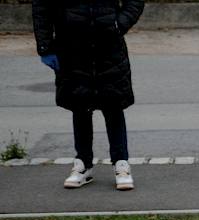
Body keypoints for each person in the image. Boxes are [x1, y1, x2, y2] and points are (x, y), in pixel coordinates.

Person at [32, 0, 144, 190]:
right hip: (71, 48)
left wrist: (119, 23)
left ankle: (121, 164)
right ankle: (83, 163)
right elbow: (41, 7)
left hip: (109, 47)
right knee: (80, 105)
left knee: (113, 105)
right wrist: (45, 46)